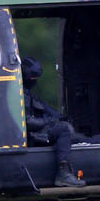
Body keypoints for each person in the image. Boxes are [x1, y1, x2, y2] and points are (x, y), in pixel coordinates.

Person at [21, 56, 84, 187]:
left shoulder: (28, 94)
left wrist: (61, 117)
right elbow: (28, 123)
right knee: (63, 130)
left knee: (74, 137)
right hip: (32, 138)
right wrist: (50, 121)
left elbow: (47, 110)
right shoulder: (20, 96)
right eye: (32, 78)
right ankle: (63, 174)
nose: (34, 81)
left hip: (40, 133)